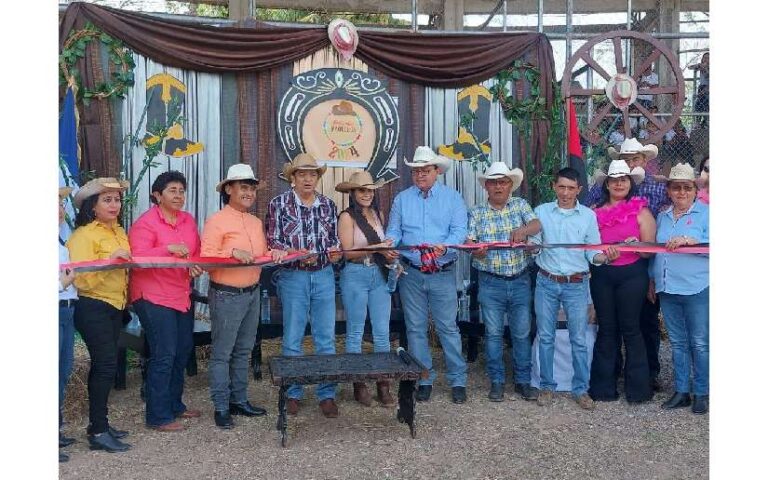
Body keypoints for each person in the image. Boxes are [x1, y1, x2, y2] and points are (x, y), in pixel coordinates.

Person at [202, 164, 285, 429]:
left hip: (251, 293)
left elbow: (260, 254)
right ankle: (221, 406)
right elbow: (205, 258)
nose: (249, 192)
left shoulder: (255, 222)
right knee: (222, 353)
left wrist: (275, 253)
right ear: (229, 189)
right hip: (226, 294)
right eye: (243, 187)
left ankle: (239, 400)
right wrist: (231, 254)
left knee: (243, 351)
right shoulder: (216, 220)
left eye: (251, 188)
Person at [385, 146, 469, 404]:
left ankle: (457, 380)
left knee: (447, 328)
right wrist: (389, 244)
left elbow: (460, 231)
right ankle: (424, 377)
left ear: (437, 172)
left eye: (425, 170)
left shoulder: (452, 198)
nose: (420, 174)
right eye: (416, 170)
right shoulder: (402, 199)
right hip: (411, 272)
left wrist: (446, 245)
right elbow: (394, 230)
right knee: (416, 329)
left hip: (442, 271)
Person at [531, 168, 616, 409]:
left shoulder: (588, 216)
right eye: (561, 187)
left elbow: (592, 251)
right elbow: (535, 246)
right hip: (546, 281)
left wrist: (605, 257)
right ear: (554, 187)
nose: (566, 193)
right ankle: (546, 387)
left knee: (578, 338)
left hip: (577, 284)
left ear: (579, 190)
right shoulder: (541, 212)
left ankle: (581, 389)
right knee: (546, 336)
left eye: (571, 188)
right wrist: (530, 246)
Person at [587, 137, 668, 390]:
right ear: (607, 184)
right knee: (607, 329)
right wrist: (602, 255)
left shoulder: (642, 212)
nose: (619, 183)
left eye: (623, 179)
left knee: (632, 329)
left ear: (630, 183)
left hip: (633, 275)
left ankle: (638, 389)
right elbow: (587, 246)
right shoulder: (593, 212)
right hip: (602, 275)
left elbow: (650, 251)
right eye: (614, 180)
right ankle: (603, 388)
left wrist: (637, 245)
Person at [266, 153, 343, 418]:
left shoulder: (328, 205)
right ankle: (292, 392)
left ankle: (327, 394)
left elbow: (334, 241)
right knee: (293, 337)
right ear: (293, 178)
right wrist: (294, 252)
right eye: (302, 174)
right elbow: (273, 241)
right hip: (293, 276)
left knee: (325, 337)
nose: (308, 178)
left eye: (312, 174)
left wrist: (336, 252)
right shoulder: (279, 204)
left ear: (317, 178)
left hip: (323, 273)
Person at [128, 171, 203, 432]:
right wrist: (166, 249)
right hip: (152, 295)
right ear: (157, 195)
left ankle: (174, 405)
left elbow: (195, 254)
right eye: (172, 190)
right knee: (164, 353)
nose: (178, 195)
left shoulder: (188, 220)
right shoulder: (145, 223)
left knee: (182, 350)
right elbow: (136, 258)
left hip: (180, 293)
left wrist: (194, 266)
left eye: (181, 190)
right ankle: (158, 416)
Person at [67, 178, 132, 453]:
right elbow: (80, 281)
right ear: (92, 206)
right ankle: (98, 430)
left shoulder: (118, 231)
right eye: (107, 199)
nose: (114, 204)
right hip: (92, 305)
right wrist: (109, 262)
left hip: (115, 305)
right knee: (105, 365)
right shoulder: (83, 236)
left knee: (107, 365)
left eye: (116, 199)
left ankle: (100, 422)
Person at [467, 162, 541, 402]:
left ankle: (523, 381)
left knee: (521, 333)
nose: (498, 186)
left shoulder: (520, 205)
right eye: (494, 182)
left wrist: (523, 230)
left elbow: (537, 224)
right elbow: (469, 242)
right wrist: (475, 251)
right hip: (490, 281)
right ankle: (497, 381)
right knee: (494, 333)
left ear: (511, 185)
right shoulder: (477, 212)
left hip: (520, 279)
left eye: (503, 182)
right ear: (486, 186)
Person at [336, 170, 398, 407]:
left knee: (382, 332)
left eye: (370, 190)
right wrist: (378, 248)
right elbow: (348, 253)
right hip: (355, 274)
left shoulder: (378, 214)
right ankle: (359, 383)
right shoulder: (347, 217)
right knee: (355, 331)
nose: (367, 194)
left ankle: (383, 384)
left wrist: (388, 255)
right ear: (352, 192)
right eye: (362, 190)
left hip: (378, 273)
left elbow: (382, 248)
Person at [651, 163, 709, 414]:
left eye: (687, 187)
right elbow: (655, 253)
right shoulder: (662, 217)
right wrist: (653, 281)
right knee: (677, 342)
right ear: (669, 190)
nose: (681, 192)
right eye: (676, 188)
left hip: (696, 287)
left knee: (700, 342)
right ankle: (682, 390)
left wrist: (690, 241)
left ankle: (701, 392)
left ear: (695, 190)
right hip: (668, 288)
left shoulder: (708, 214)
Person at [58, 186, 78, 463]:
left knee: (62, 373)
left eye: (61, 203)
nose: (60, 209)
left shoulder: (60, 242)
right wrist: (61, 283)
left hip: (67, 310)